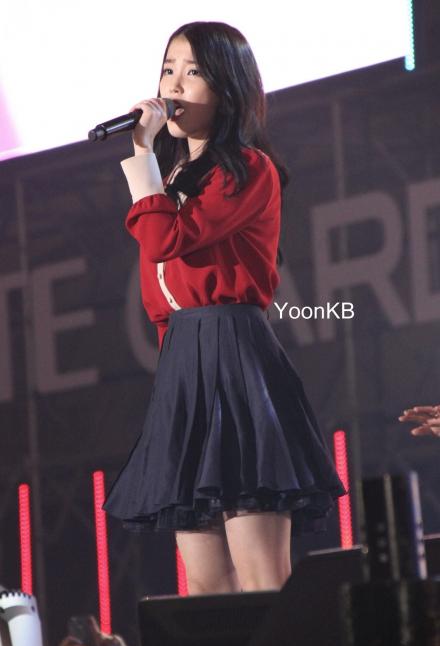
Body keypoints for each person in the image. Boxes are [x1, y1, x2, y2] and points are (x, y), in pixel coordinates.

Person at [103, 21, 347, 596]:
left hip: (233, 355)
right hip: (183, 357)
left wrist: (140, 154)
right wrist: (173, 357)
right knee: (206, 587)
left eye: (193, 72)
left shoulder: (248, 169)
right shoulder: (175, 177)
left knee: (261, 576)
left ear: (227, 87)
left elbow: (165, 241)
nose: (174, 86)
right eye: (168, 70)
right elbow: (159, 288)